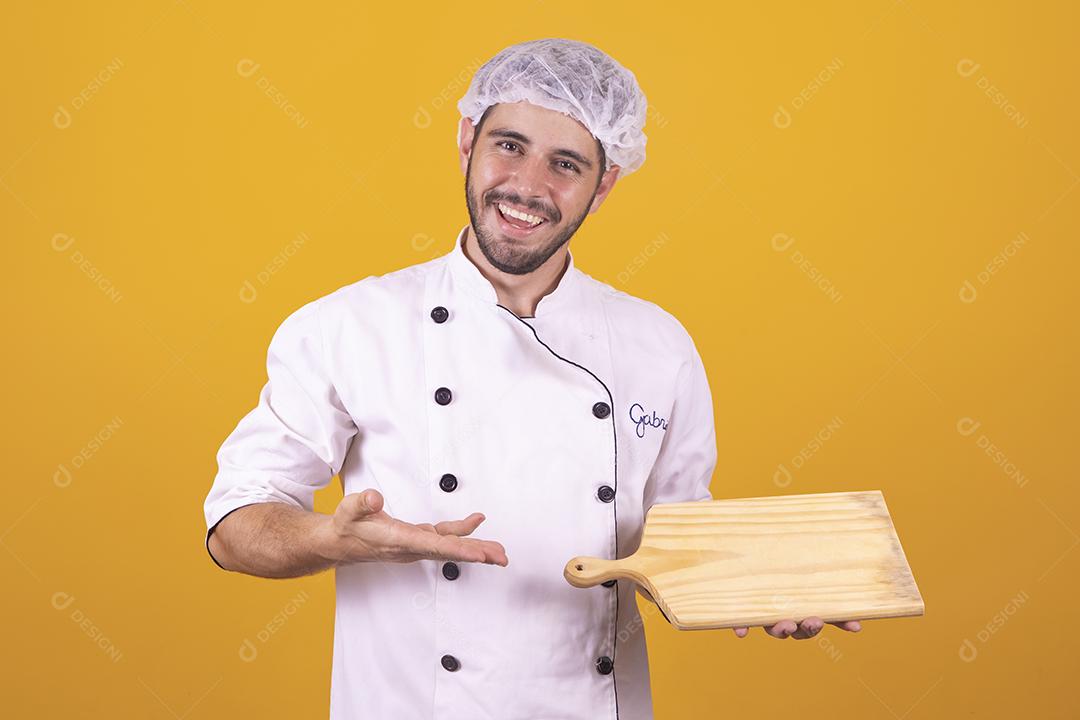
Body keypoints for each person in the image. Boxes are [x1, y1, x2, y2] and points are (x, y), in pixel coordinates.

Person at [202, 37, 861, 720]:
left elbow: (675, 548)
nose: (527, 186)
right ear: (466, 140)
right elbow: (234, 522)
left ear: (604, 184)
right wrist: (326, 540)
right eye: (509, 146)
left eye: (566, 163)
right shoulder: (346, 327)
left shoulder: (658, 345)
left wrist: (762, 587)